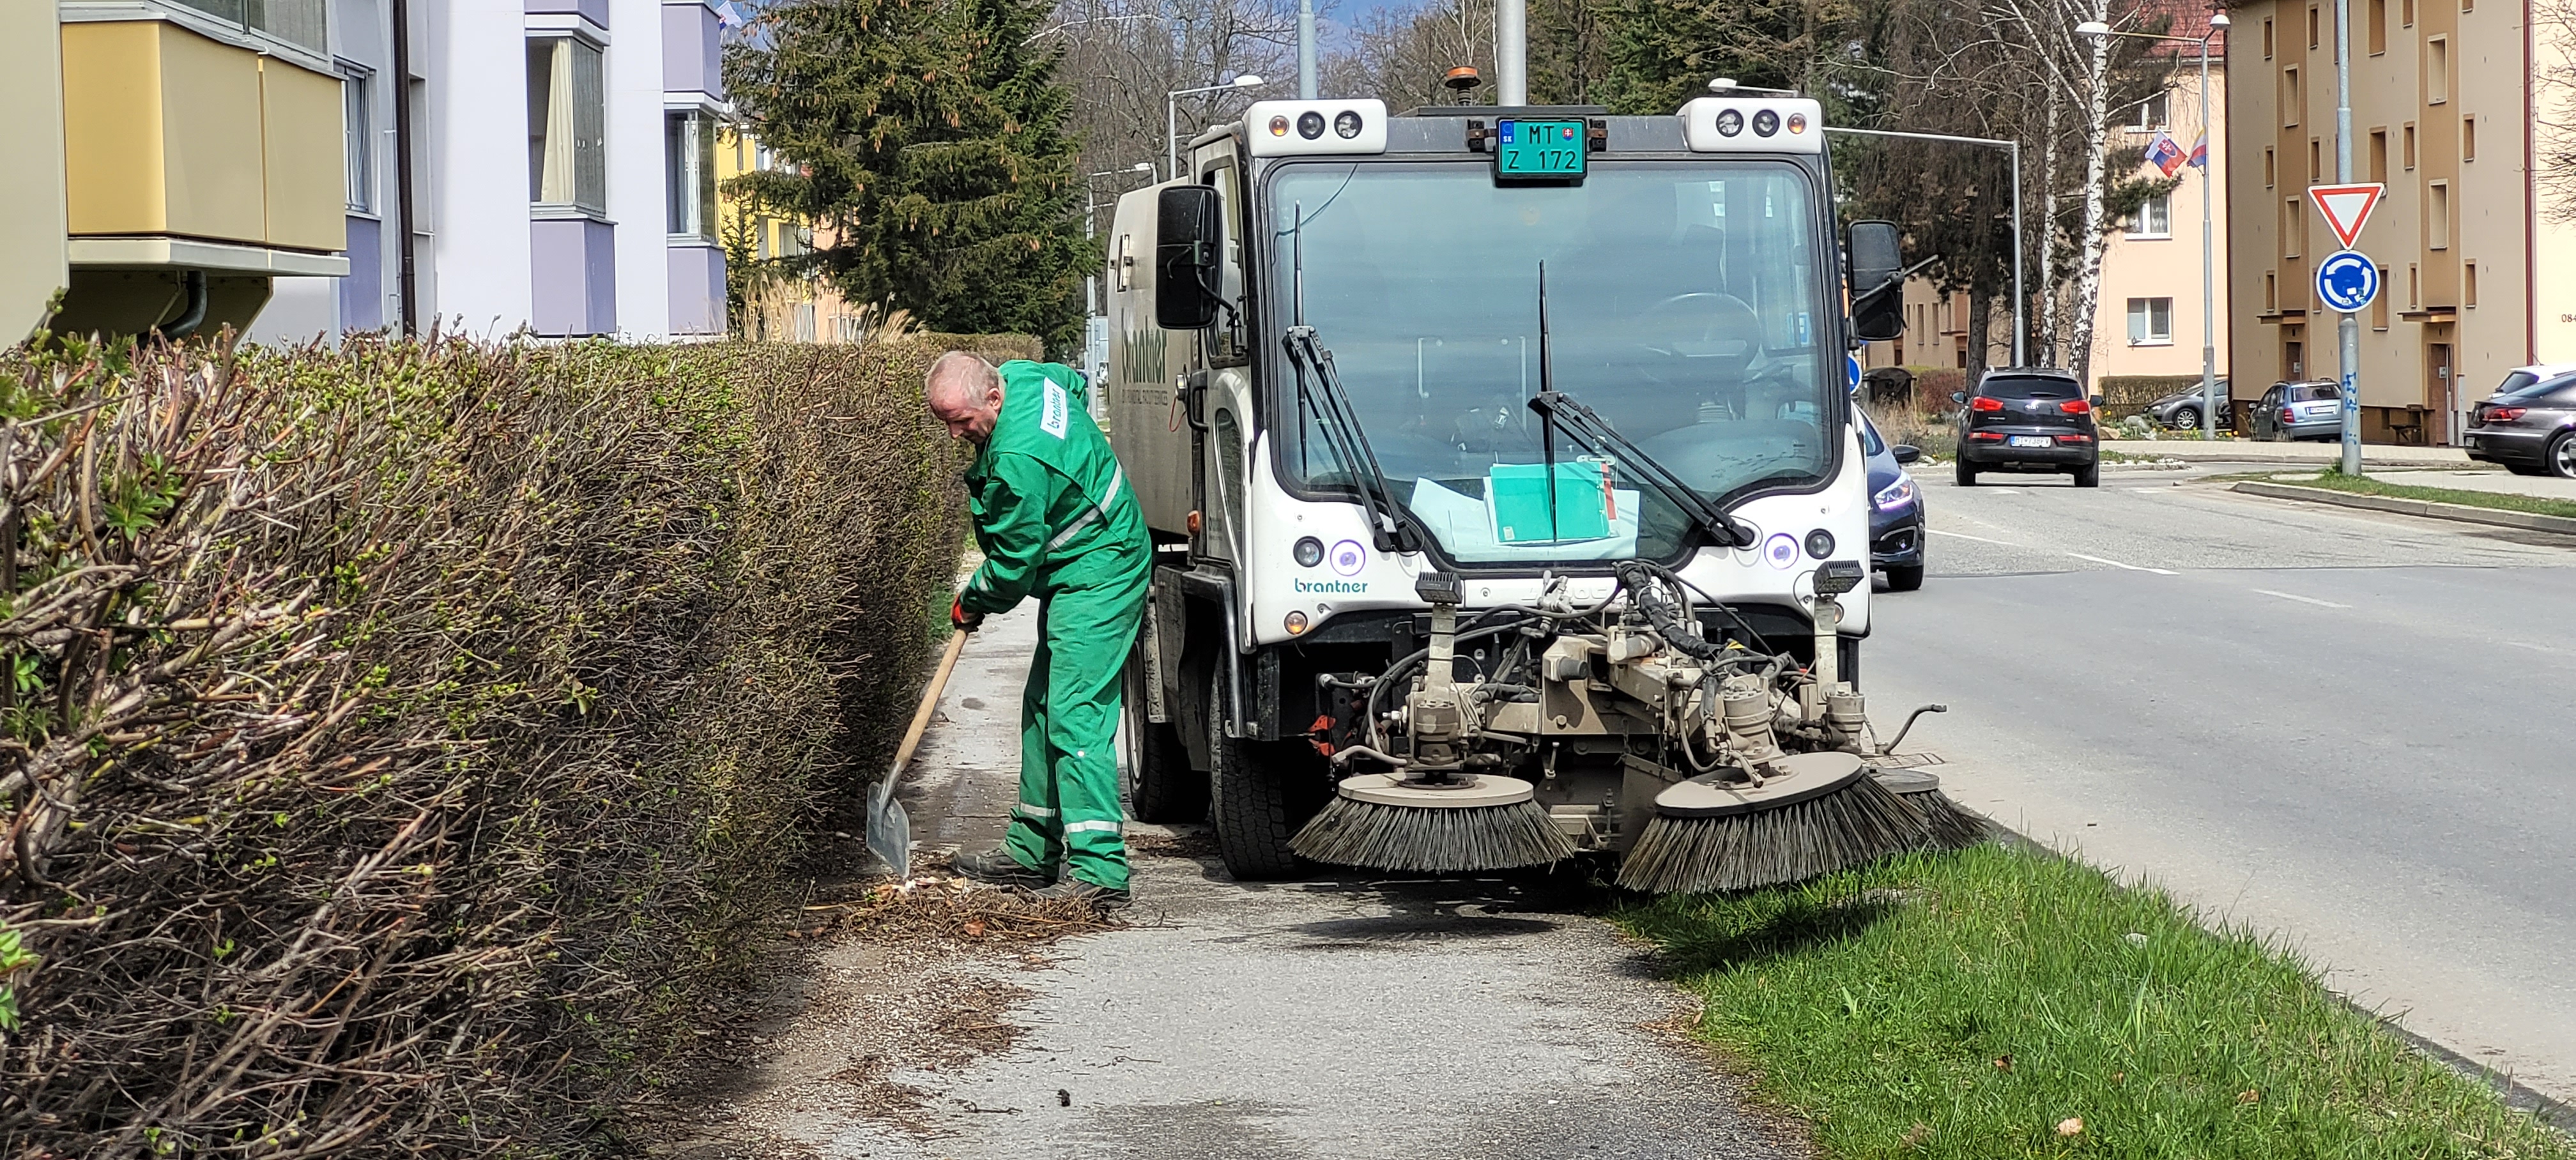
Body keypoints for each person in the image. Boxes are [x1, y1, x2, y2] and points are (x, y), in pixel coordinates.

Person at [924, 351, 1150, 910]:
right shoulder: (1024, 375)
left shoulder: (1018, 463)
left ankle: (1101, 873)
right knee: (1042, 705)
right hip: (1084, 559)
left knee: (1074, 713)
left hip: (1103, 567)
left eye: (961, 420)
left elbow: (1011, 566)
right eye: (945, 421)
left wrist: (969, 602)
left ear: (992, 397)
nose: (956, 434)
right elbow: (1071, 383)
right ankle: (1031, 852)